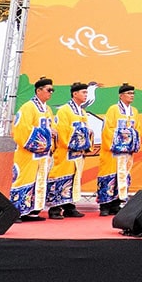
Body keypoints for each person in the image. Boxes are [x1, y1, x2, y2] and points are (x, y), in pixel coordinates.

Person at [11, 77, 58, 219]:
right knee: (24, 179)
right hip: (28, 153)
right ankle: (16, 211)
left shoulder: (48, 109)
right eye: (49, 90)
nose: (51, 93)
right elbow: (21, 129)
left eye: (52, 90)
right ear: (39, 90)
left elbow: (53, 127)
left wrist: (52, 133)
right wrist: (48, 133)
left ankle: (33, 210)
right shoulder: (28, 107)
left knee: (39, 180)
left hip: (42, 154)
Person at [47, 82, 94, 219]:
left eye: (86, 92)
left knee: (74, 178)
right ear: (75, 94)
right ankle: (55, 208)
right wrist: (79, 136)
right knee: (61, 177)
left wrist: (86, 134)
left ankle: (69, 206)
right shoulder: (64, 110)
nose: (86, 95)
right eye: (84, 92)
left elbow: (87, 129)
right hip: (66, 151)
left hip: (78, 153)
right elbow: (61, 130)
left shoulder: (82, 112)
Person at [97, 83, 142, 217]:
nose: (131, 96)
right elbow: (107, 129)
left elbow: (137, 129)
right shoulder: (113, 109)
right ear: (121, 96)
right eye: (129, 93)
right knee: (109, 177)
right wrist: (123, 136)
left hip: (126, 153)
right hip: (113, 152)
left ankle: (116, 204)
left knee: (122, 177)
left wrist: (131, 138)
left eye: (133, 93)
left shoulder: (134, 111)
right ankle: (104, 205)